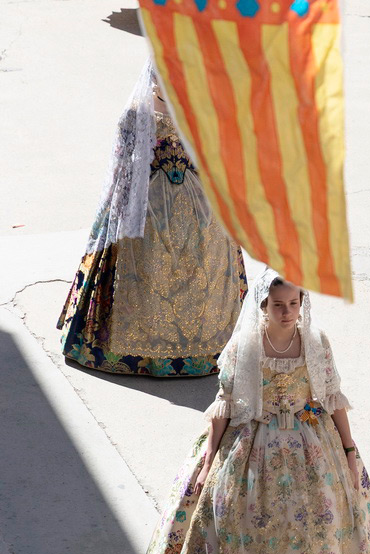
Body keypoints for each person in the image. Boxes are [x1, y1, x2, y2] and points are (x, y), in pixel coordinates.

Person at [135, 270, 370, 554]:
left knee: (318, 534)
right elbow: (225, 407)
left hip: (311, 447)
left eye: (294, 304)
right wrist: (208, 460)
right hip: (251, 446)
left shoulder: (316, 342)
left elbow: (332, 399)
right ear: (263, 306)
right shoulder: (244, 347)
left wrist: (349, 452)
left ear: (302, 304)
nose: (287, 312)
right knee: (236, 532)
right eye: (278, 305)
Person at [57, 57, 246, 377]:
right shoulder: (137, 113)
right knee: (147, 270)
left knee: (202, 271)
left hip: (201, 209)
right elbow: (122, 165)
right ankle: (140, 353)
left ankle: (204, 349)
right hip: (146, 209)